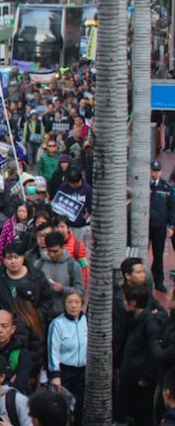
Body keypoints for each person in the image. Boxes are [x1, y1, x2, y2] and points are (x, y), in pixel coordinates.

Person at [116, 284, 158, 426]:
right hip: (130, 374)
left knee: (142, 413)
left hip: (140, 378)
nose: (123, 303)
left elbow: (153, 353)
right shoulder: (130, 318)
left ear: (133, 303)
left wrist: (146, 377)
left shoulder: (148, 324)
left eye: (125, 300)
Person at [0, 242, 53, 320]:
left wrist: (35, 316)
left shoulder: (37, 276)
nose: (13, 261)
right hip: (4, 325)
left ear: (23, 258)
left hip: (32, 324)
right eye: (9, 258)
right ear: (4, 260)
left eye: (16, 257)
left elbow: (47, 300)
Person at [47, 290, 86, 425]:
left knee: (80, 406)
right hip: (65, 371)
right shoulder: (57, 324)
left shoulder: (87, 321)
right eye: (69, 302)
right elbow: (53, 350)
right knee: (63, 406)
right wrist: (55, 374)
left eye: (77, 302)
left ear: (82, 304)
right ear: (64, 304)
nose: (73, 306)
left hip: (83, 371)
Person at [34, 232, 84, 315]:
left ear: (63, 247)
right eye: (49, 251)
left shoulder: (72, 265)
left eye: (55, 251)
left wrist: (63, 289)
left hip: (65, 314)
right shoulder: (39, 264)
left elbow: (80, 291)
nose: (52, 255)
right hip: (43, 314)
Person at [150, 159, 175, 291]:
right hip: (146, 226)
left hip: (160, 226)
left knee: (158, 254)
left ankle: (158, 281)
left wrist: (172, 226)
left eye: (157, 170)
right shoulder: (144, 186)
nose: (155, 173)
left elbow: (171, 208)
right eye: (153, 170)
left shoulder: (166, 187)